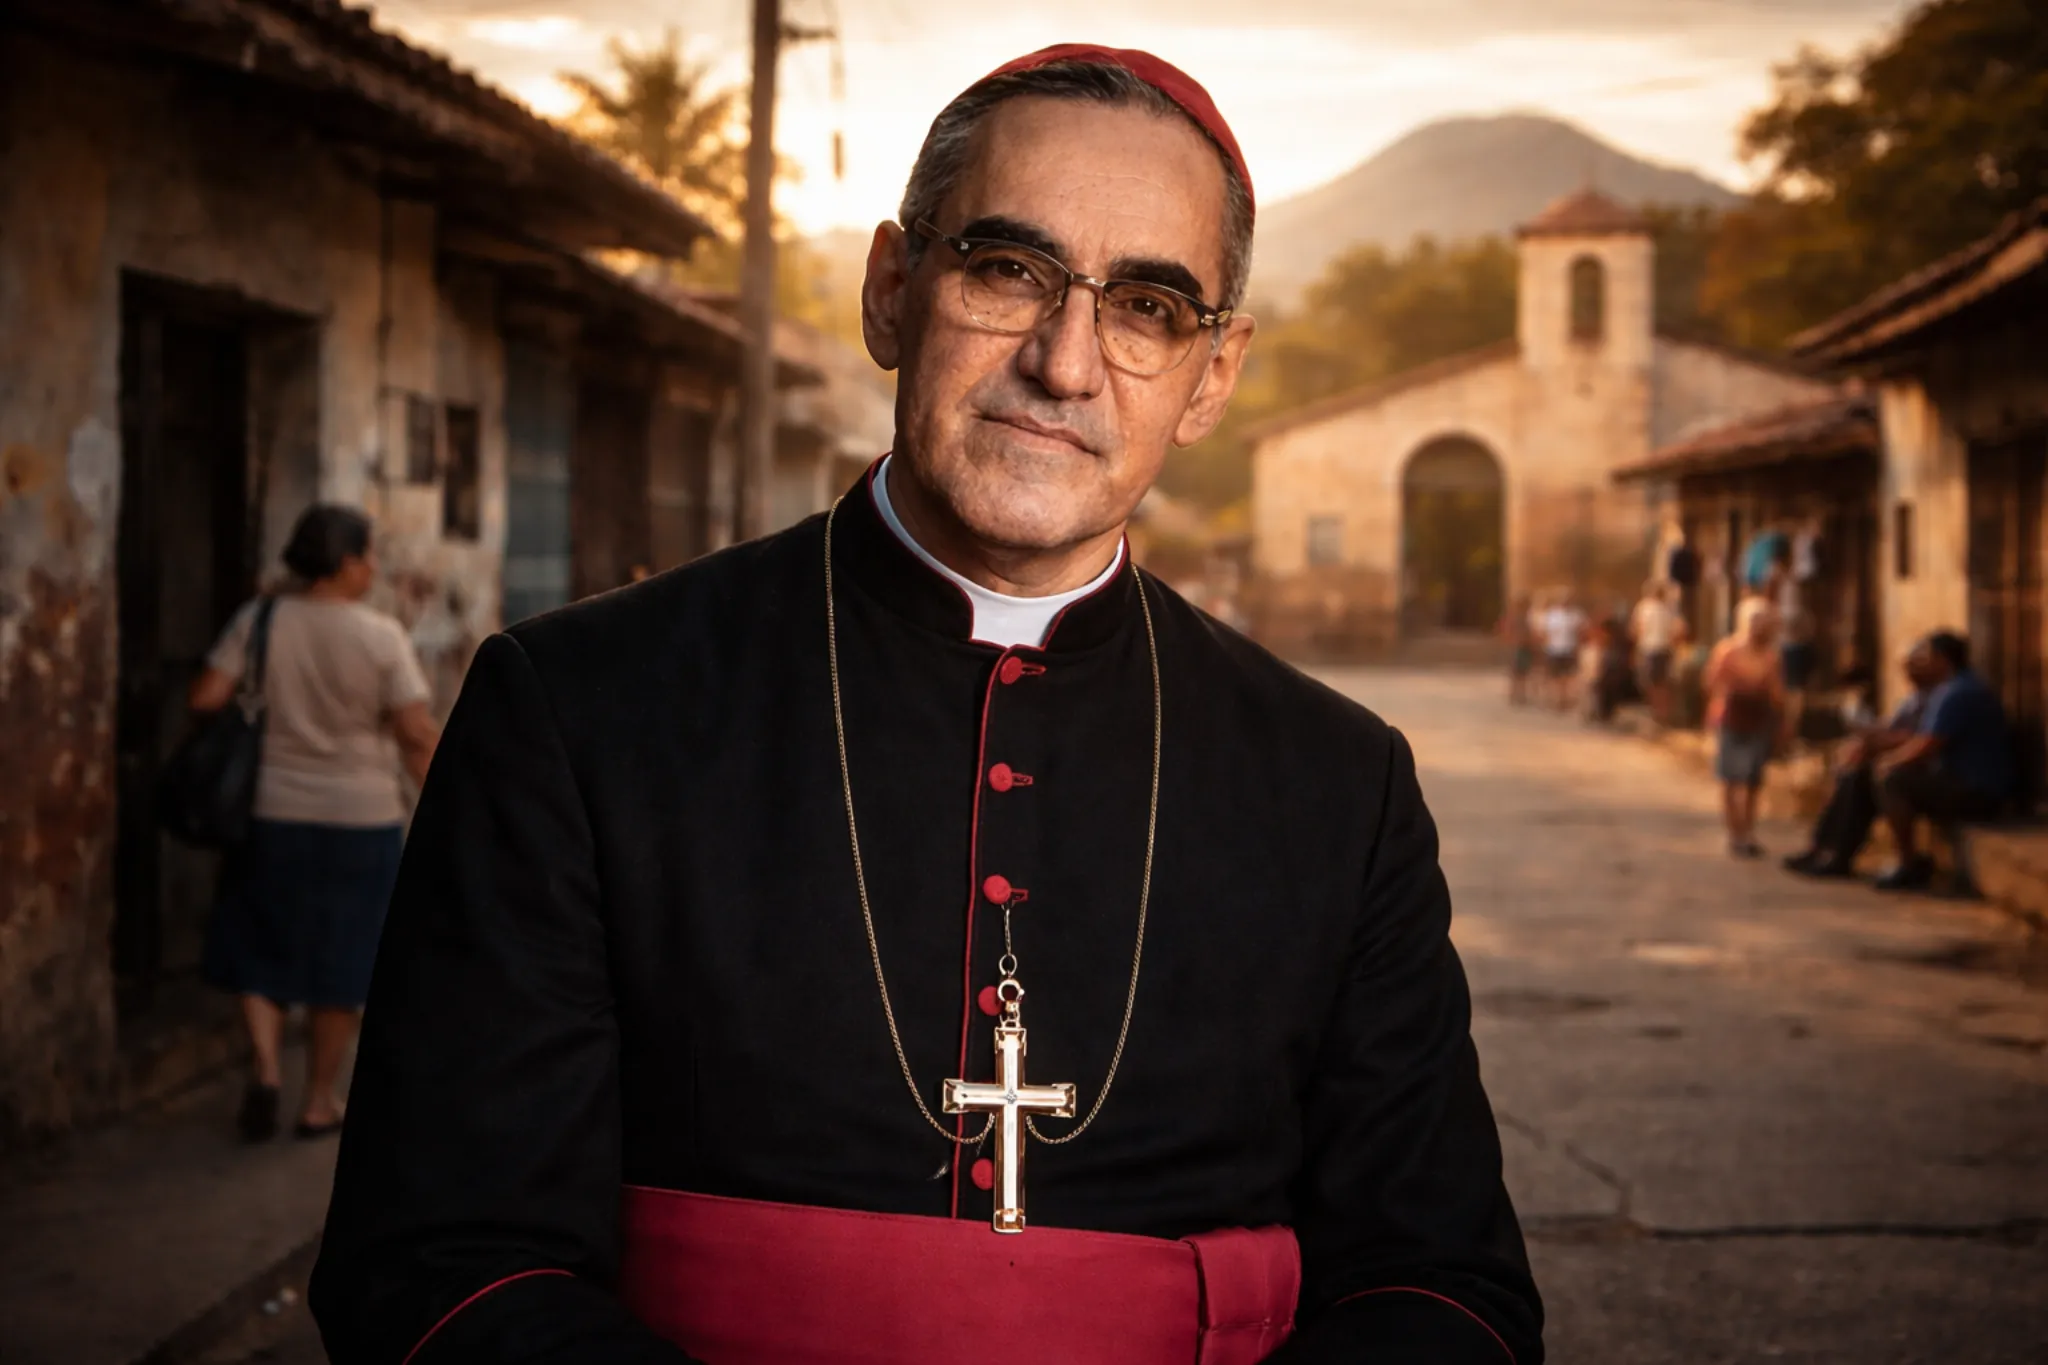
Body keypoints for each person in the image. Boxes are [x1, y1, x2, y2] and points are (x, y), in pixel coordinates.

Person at [310, 45, 1541, 1365]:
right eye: (1008, 272)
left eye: (1146, 306)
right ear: (893, 289)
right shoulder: (574, 710)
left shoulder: (1338, 786)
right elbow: (438, 1265)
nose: (1066, 365)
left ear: (1215, 377)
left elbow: (1447, 1293)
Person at [189, 504, 439, 1142]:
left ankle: (267, 1069)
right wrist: (444, 803)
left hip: (273, 812)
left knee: (260, 947)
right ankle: (319, 1100)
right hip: (361, 819)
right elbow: (414, 732)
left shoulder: (261, 619)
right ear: (348, 562)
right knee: (344, 965)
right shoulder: (381, 636)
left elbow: (205, 698)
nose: (376, 567)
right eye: (371, 555)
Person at [1872, 630, 2013, 890]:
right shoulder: (1950, 689)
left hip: (1977, 792)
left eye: (1926, 657)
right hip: (1963, 783)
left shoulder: (1958, 693)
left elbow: (1927, 744)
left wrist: (1890, 762)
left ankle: (1908, 863)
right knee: (1884, 774)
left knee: (1894, 780)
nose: (1920, 664)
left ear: (1941, 659)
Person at [1783, 646, 1936, 878]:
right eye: (1908, 665)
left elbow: (1919, 738)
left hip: (1924, 771)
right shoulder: (1915, 698)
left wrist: (1881, 751)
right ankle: (1823, 848)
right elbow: (1893, 729)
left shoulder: (1940, 698)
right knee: (1850, 778)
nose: (1910, 670)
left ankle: (1843, 855)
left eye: (1918, 664)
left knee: (1864, 781)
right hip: (1902, 762)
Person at [1703, 597, 1786, 858]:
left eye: (1764, 622)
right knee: (1730, 778)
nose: (1760, 627)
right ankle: (1734, 833)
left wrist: (1782, 721)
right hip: (1731, 718)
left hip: (1758, 720)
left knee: (1752, 780)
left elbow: (1776, 692)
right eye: (1755, 621)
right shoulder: (1727, 651)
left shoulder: (1771, 657)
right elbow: (1712, 683)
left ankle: (1748, 833)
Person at [1630, 580, 1679, 724]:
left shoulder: (1644, 607)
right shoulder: (1668, 609)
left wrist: (1636, 647)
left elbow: (1637, 629)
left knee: (1650, 682)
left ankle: (1656, 712)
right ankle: (1662, 713)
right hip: (1664, 648)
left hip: (1649, 648)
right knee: (1662, 682)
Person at [1540, 589, 1584, 711]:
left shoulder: (1575, 615)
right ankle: (1558, 698)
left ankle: (1566, 697)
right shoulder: (1552, 615)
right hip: (1554, 649)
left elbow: (1581, 631)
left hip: (1569, 648)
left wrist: (1578, 645)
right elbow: (1544, 632)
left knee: (1568, 675)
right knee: (1556, 676)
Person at [1500, 592, 1535, 704]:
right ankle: (1515, 695)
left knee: (1522, 673)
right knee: (1516, 673)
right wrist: (1513, 641)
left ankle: (1520, 695)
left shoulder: (1526, 617)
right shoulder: (1515, 617)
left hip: (1524, 646)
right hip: (1517, 647)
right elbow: (1508, 631)